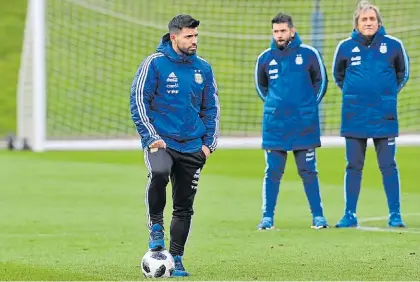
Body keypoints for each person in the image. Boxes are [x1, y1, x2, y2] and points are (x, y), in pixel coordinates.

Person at [130, 14, 220, 276]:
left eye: (196, 36)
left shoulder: (203, 68)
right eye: (189, 36)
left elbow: (211, 108)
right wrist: (150, 136)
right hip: (161, 141)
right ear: (174, 37)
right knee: (158, 173)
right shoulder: (154, 64)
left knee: (184, 205)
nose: (194, 41)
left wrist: (208, 145)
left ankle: (176, 259)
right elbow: (138, 101)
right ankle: (155, 227)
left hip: (193, 146)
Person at [332, 0, 409, 228]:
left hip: (384, 115)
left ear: (379, 22)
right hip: (354, 115)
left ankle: (395, 214)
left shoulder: (394, 46)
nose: (368, 23)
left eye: (372, 19)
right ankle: (349, 214)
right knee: (353, 166)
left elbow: (402, 75)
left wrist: (385, 95)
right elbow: (339, 76)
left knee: (388, 165)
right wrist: (356, 95)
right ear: (356, 23)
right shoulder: (345, 47)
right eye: (364, 19)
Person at [254, 12, 329, 230]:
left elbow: (321, 82)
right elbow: (262, 87)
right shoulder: (265, 58)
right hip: (275, 125)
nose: (279, 35)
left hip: (303, 124)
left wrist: (306, 106)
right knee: (273, 171)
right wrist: (274, 106)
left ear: (292, 31)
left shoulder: (309, 54)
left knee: (308, 170)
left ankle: (318, 216)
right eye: (276, 31)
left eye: (283, 31)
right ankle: (267, 218)